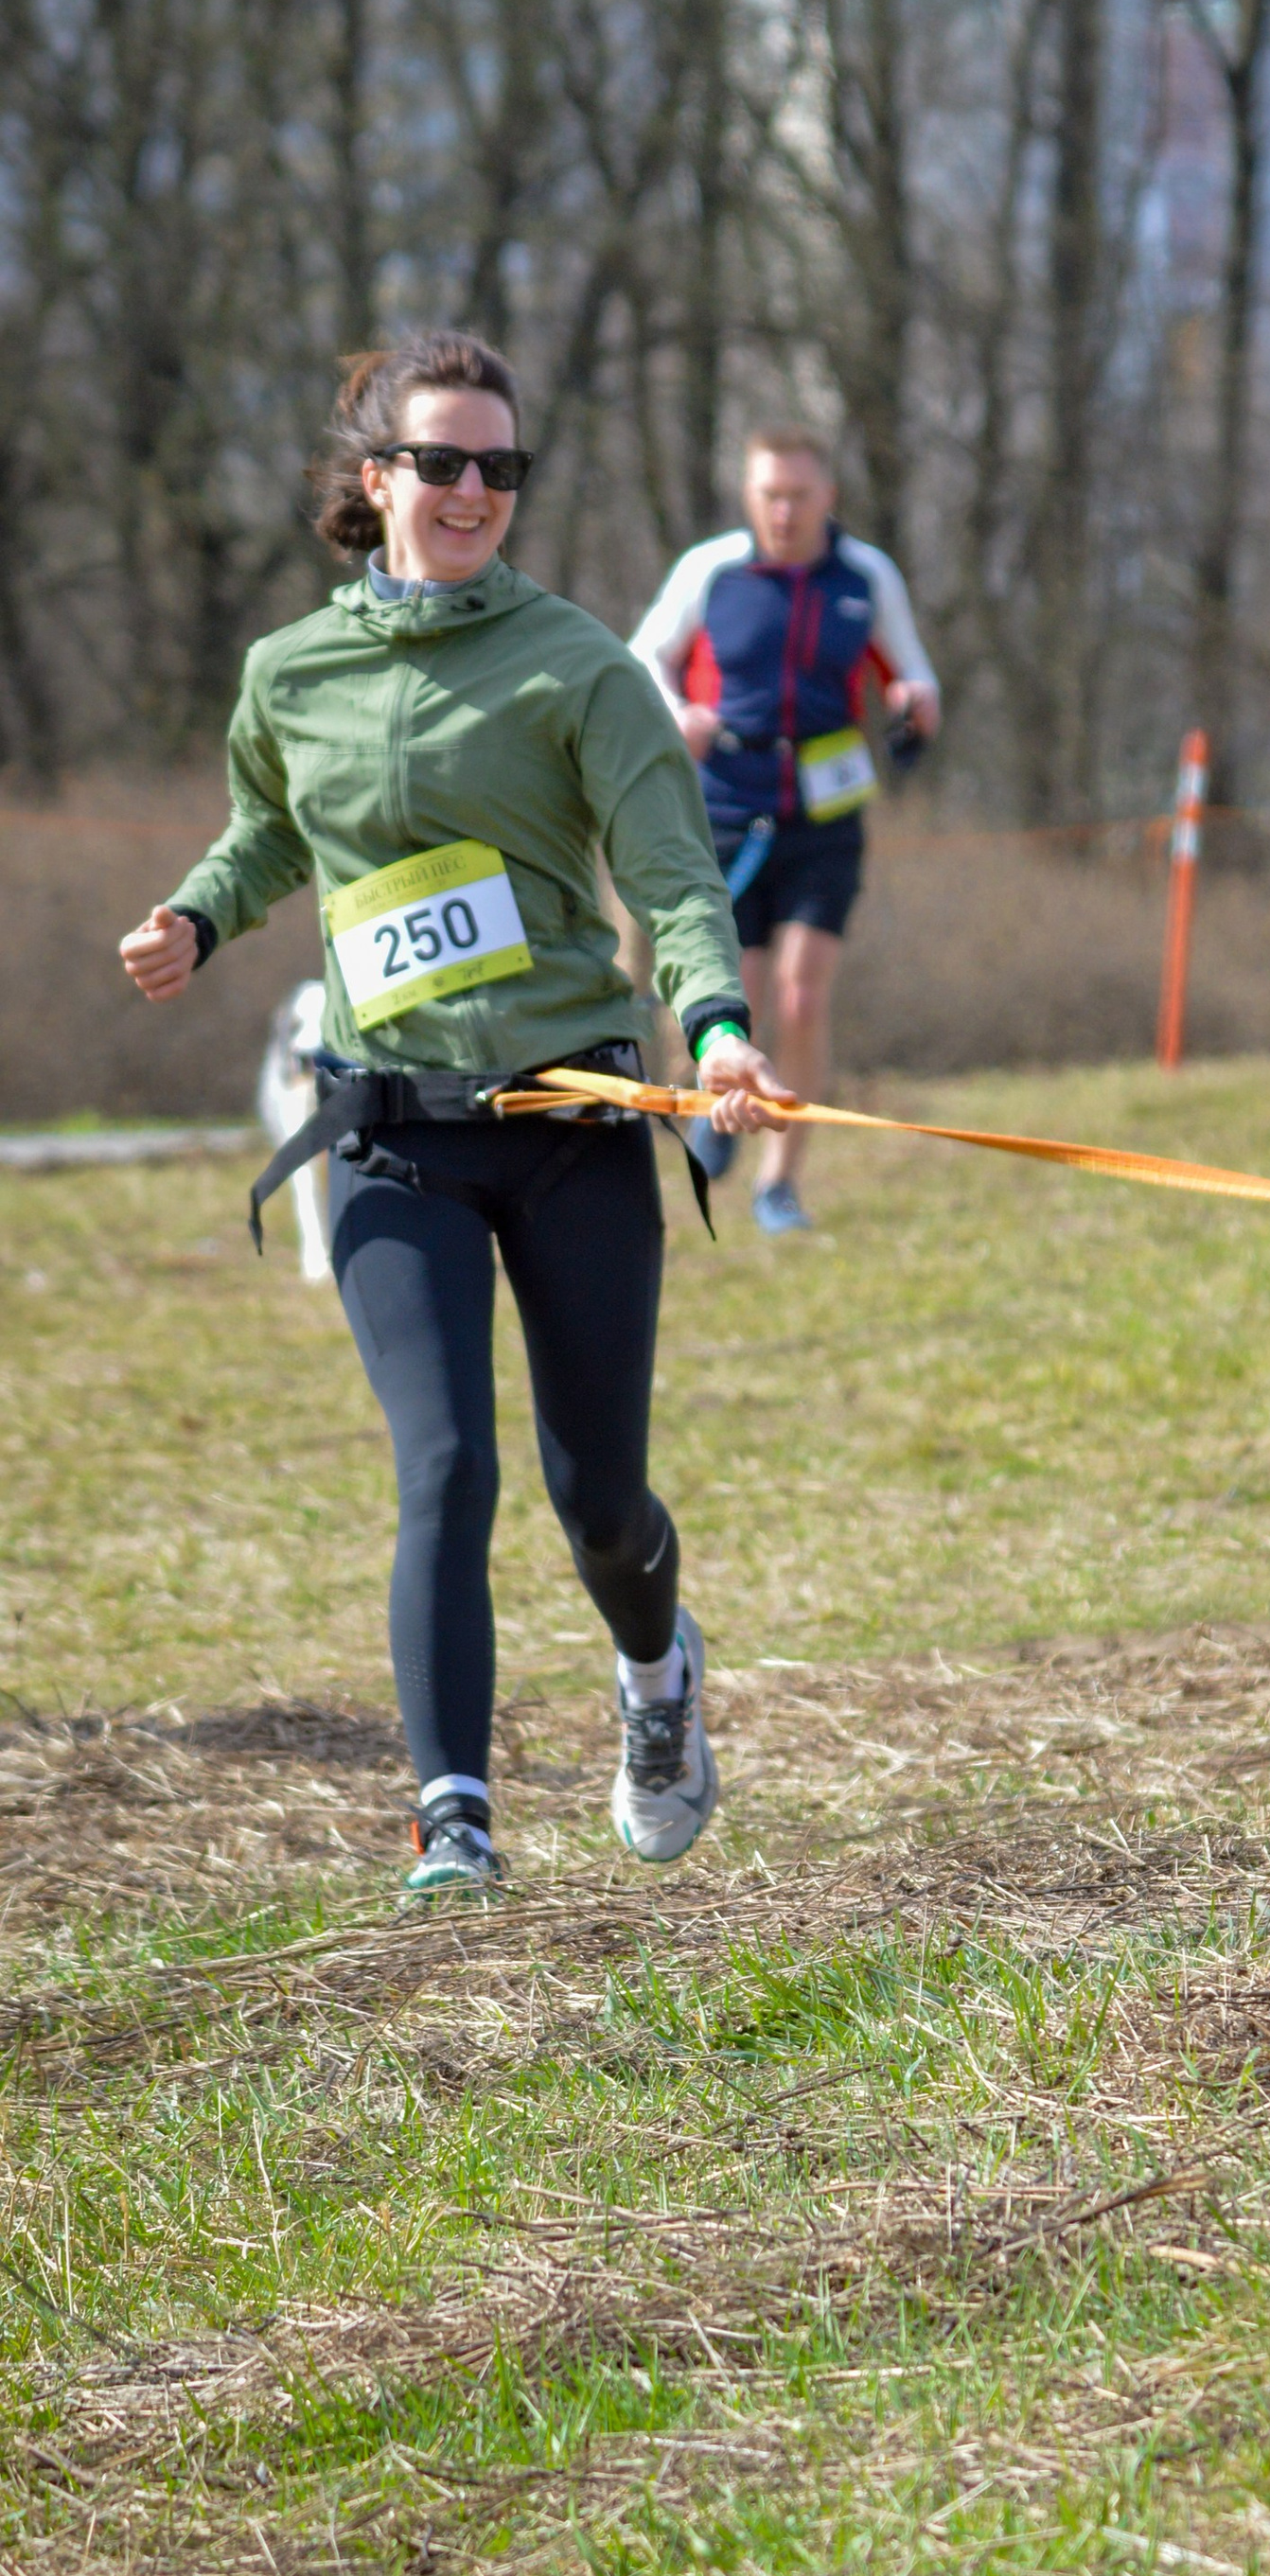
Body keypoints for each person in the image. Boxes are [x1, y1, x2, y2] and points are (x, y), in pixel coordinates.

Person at [117, 328, 788, 1905]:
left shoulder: (580, 669)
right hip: (385, 1130)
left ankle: (657, 1671)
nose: (476, 489)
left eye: (503, 465)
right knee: (444, 1469)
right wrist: (198, 918)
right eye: (444, 462)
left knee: (598, 1500)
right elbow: (270, 833)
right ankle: (456, 1820)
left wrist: (718, 1024)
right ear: (377, 481)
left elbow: (675, 880)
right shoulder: (292, 673)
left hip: (568, 1125)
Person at [630, 431, 939, 1234]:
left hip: (825, 811)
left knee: (803, 994)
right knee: (741, 989)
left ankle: (781, 1180)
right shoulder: (713, 569)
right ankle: (718, 1110)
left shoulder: (865, 575)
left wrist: (914, 702)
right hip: (725, 806)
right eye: (769, 493)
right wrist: (679, 716)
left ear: (828, 495)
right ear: (748, 494)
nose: (784, 511)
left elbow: (913, 670)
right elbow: (644, 655)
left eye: (799, 494)